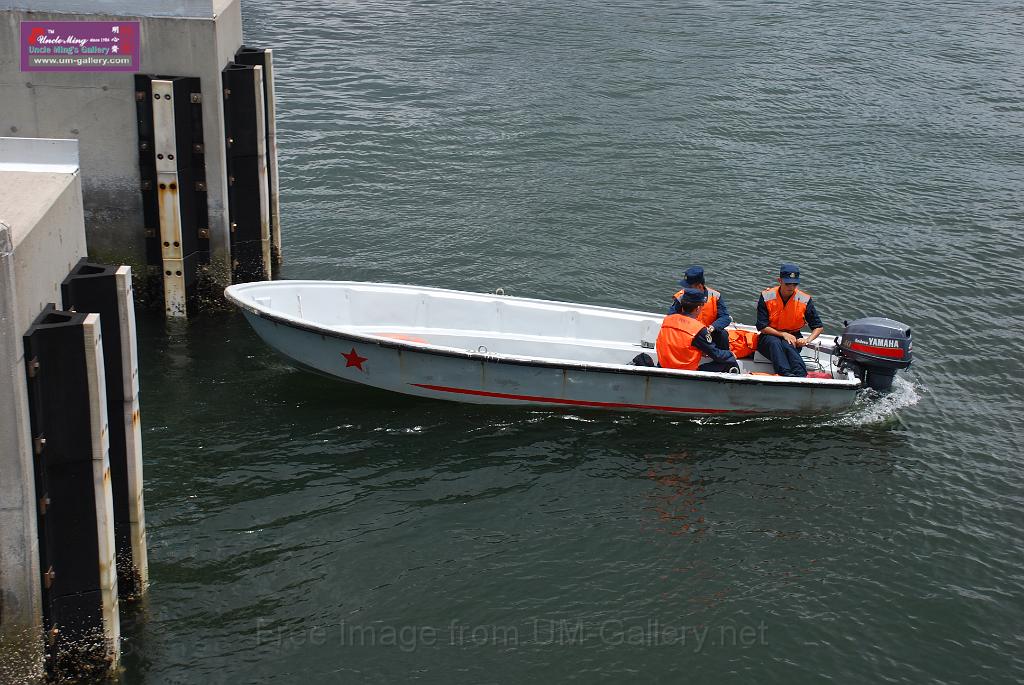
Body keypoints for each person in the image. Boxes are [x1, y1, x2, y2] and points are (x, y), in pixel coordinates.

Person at [755, 263, 824, 377]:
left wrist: (807, 340)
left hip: (793, 336)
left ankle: (801, 375)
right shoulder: (766, 296)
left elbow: (818, 326)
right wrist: (783, 334)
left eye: (794, 284)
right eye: (788, 283)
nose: (791, 287)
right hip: (769, 336)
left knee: (788, 345)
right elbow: (762, 326)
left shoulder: (804, 299)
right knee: (775, 342)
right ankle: (785, 375)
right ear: (780, 280)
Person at [657, 288, 739, 373]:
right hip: (686, 370)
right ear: (698, 308)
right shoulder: (698, 329)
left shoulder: (667, 320)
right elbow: (716, 354)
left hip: (664, 365)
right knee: (729, 362)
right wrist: (730, 355)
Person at [669, 266, 731, 351]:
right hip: (688, 333)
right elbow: (671, 317)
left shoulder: (715, 296)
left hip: (708, 334)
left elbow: (725, 317)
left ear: (699, 286)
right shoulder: (681, 297)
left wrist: (712, 327)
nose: (686, 289)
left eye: (689, 286)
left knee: (723, 334)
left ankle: (725, 360)